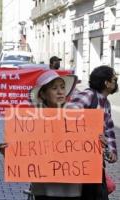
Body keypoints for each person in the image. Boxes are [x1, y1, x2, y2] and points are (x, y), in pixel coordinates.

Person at [0, 70, 81, 199]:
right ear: (43, 94)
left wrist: (99, 140)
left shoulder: (77, 113)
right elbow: (23, 151)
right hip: (43, 188)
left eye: (63, 87)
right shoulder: (32, 118)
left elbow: (88, 144)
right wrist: (8, 152)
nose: (60, 92)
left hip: (72, 187)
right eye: (54, 88)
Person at [66, 65, 118, 200]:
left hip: (94, 162)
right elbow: (68, 115)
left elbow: (109, 129)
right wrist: (90, 133)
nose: (116, 82)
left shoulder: (106, 104)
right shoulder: (89, 95)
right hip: (80, 162)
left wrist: (111, 151)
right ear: (106, 83)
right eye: (114, 79)